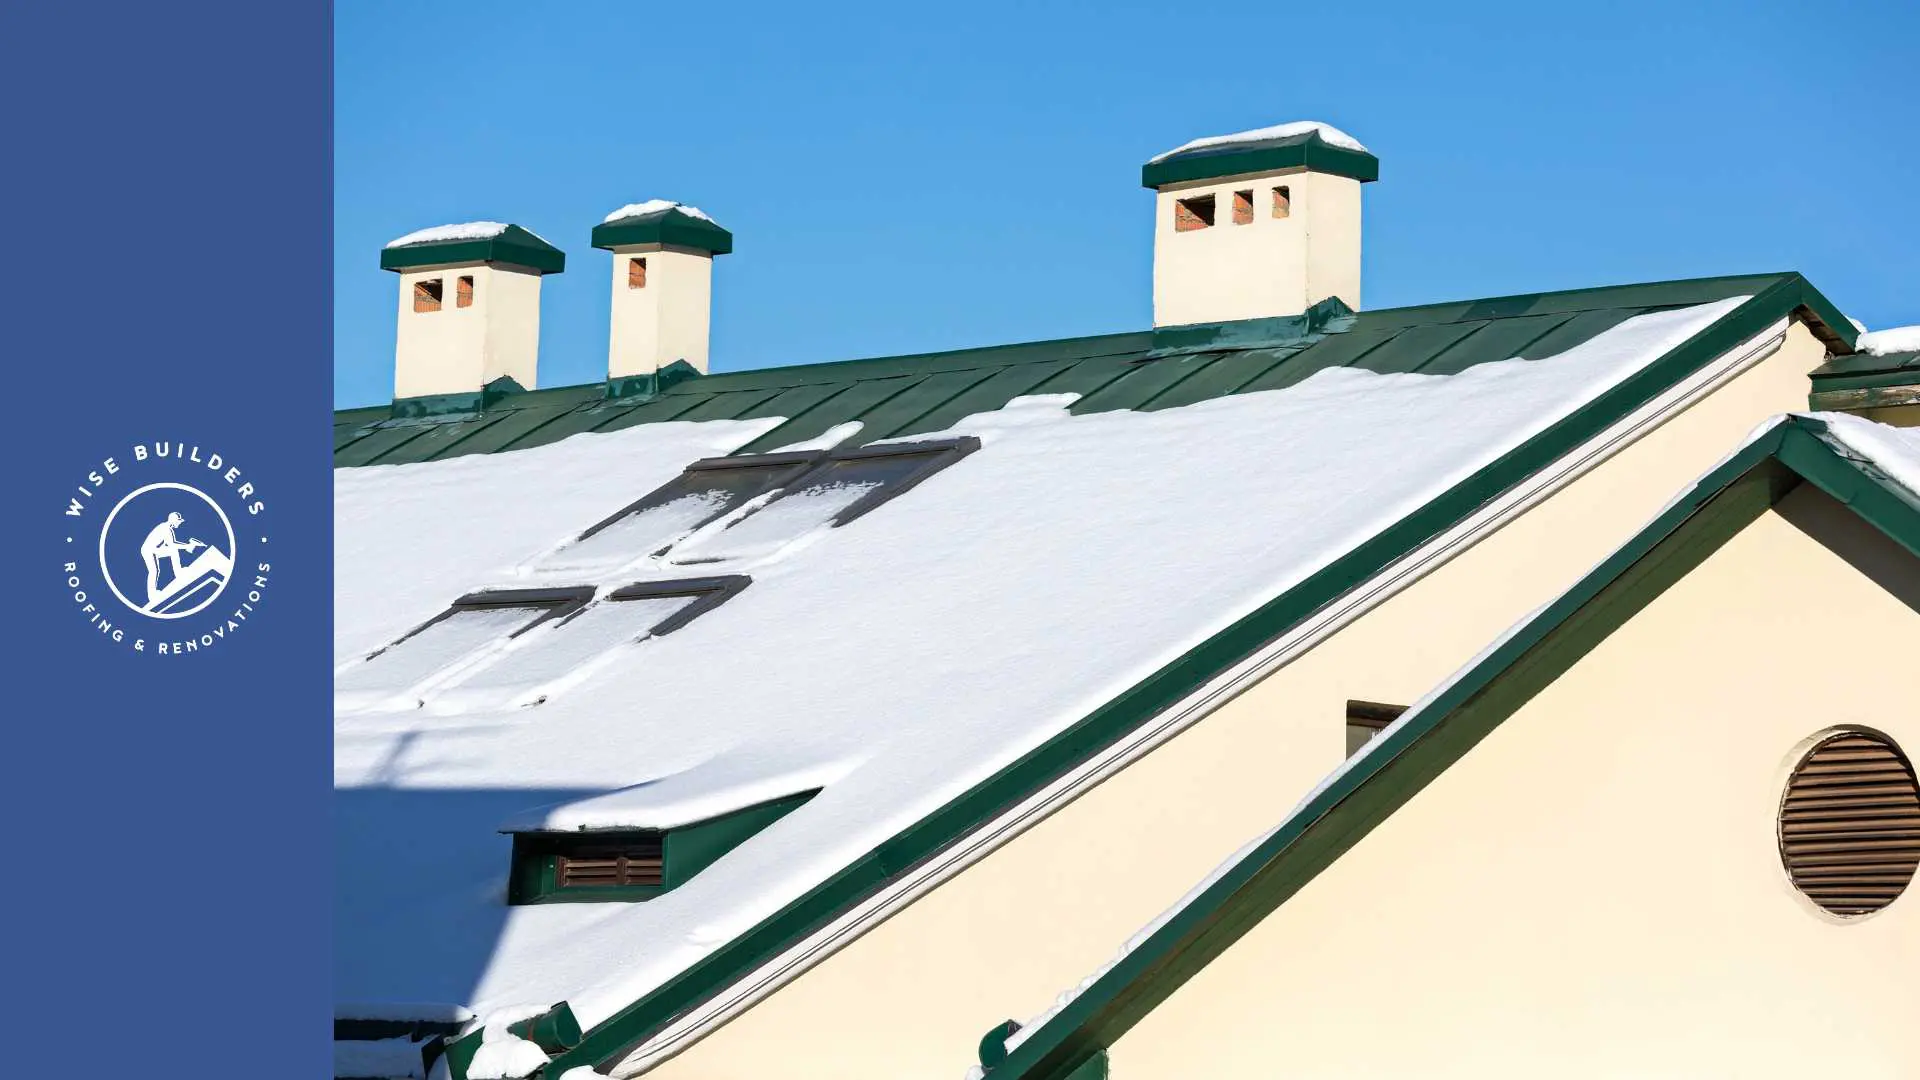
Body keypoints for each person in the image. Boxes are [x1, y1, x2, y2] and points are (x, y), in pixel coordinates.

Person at [140, 512, 205, 605]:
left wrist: (187, 546)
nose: (180, 523)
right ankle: (152, 596)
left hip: (155, 549)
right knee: (154, 571)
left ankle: (179, 572)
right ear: (173, 520)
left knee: (172, 551)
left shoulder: (167, 528)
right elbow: (172, 544)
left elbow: (172, 545)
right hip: (149, 550)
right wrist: (187, 546)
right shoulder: (165, 528)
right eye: (178, 521)